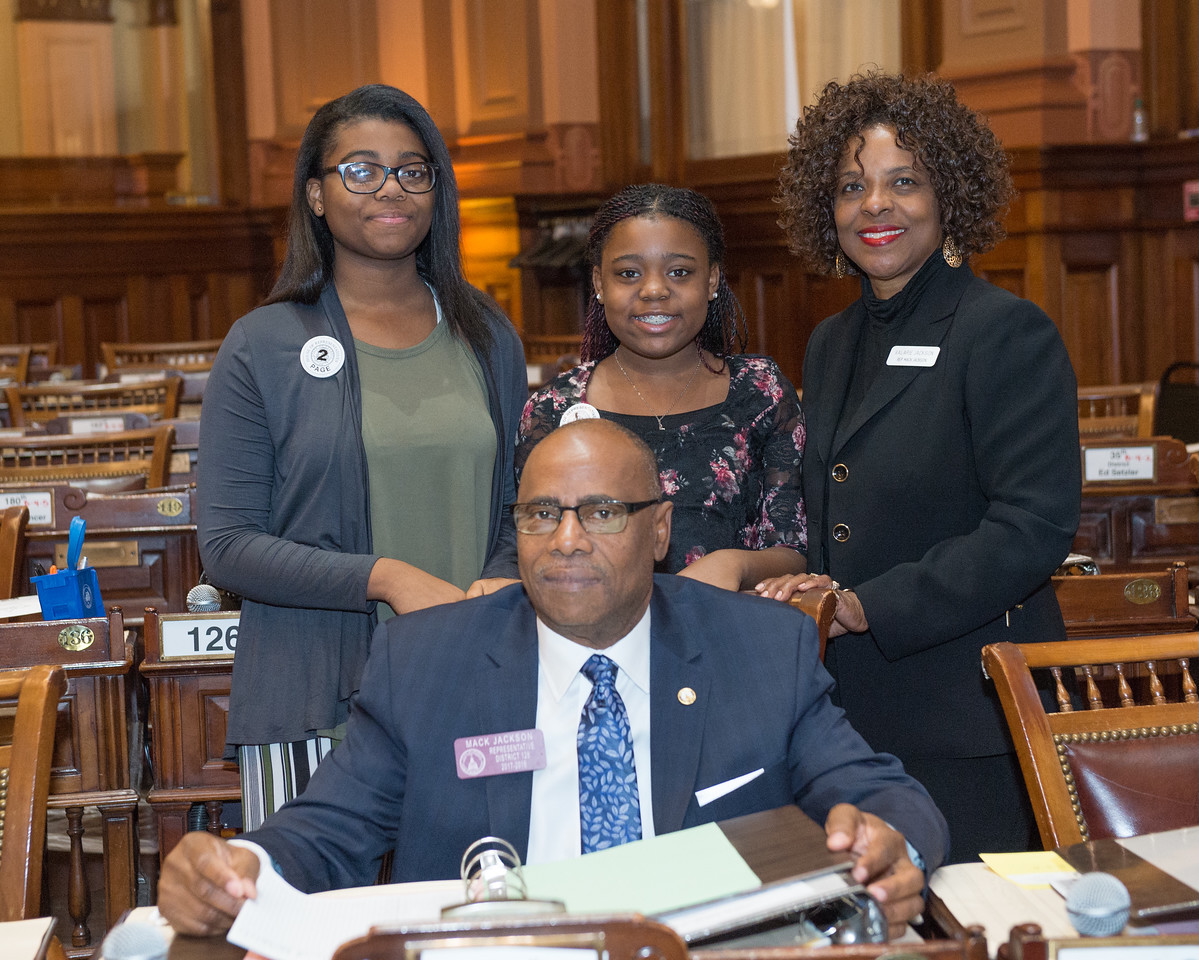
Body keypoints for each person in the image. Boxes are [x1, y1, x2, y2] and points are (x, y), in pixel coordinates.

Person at [160, 419, 949, 938]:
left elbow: (878, 791)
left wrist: (891, 843)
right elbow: (325, 834)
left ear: (660, 530)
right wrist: (237, 869)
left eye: (601, 512)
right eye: (541, 514)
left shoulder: (759, 649)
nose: (566, 540)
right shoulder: (427, 662)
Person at [762, 71, 1081, 862]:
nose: (874, 205)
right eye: (849, 186)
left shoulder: (1005, 331)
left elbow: (1031, 527)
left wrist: (870, 604)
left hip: (967, 713)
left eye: (903, 182)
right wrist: (812, 582)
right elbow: (844, 512)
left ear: (948, 198)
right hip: (851, 718)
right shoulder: (831, 342)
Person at [196, 84, 526, 829]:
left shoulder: (485, 333)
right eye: (360, 170)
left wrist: (498, 577)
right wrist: (386, 578)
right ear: (315, 194)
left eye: (413, 171)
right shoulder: (263, 344)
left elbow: (522, 501)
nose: (390, 189)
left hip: (474, 677)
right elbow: (226, 547)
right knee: (305, 928)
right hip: (312, 694)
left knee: (484, 921)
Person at [485, 184, 806, 594]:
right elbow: (530, 539)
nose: (654, 290)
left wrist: (735, 564)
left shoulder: (760, 392)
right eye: (629, 273)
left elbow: (793, 547)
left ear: (712, 280)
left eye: (679, 272)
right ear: (599, 283)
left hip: (724, 636)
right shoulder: (554, 407)